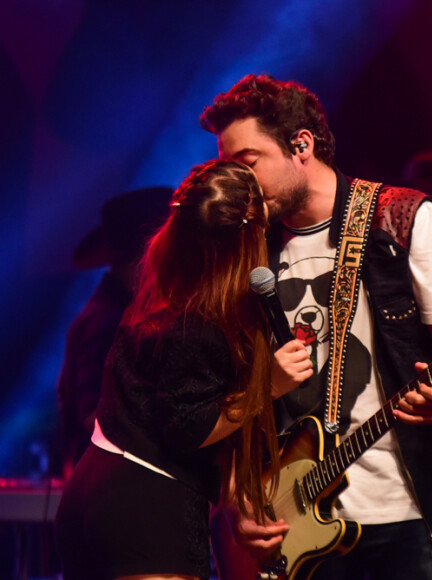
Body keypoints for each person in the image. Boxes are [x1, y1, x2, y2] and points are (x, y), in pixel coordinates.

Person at [200, 75, 432, 580]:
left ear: (302, 145)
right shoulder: (245, 249)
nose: (240, 183)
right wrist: (235, 499)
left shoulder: (403, 217)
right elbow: (226, 389)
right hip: (293, 523)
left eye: (248, 164)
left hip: (415, 513)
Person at [55, 159, 313, 580]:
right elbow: (188, 427)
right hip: (144, 507)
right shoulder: (200, 322)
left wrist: (233, 504)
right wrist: (268, 386)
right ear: (247, 239)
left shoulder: (162, 298)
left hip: (95, 488)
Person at [57, 186, 173, 474]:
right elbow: (93, 415)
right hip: (111, 484)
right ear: (149, 254)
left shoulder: (113, 314)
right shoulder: (108, 322)